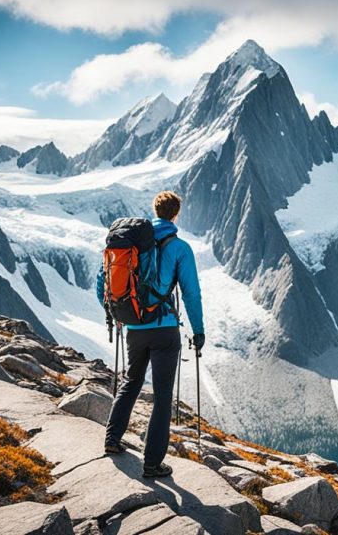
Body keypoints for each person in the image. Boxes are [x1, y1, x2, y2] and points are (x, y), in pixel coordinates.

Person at [102, 190, 205, 478]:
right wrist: (198, 331)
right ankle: (152, 463)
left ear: (154, 210)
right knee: (162, 397)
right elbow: (191, 294)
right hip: (164, 331)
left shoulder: (130, 242)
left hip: (133, 326)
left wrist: (116, 313)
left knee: (131, 381)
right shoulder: (179, 248)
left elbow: (105, 280)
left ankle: (112, 439)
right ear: (176, 214)